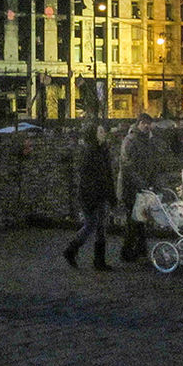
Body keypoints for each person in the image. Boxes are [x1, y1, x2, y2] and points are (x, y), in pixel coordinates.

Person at [63, 123, 117, 271]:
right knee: (92, 224)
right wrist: (95, 196)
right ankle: (72, 250)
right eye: (100, 131)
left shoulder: (103, 151)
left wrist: (111, 195)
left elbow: (107, 175)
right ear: (93, 134)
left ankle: (97, 260)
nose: (103, 133)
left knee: (99, 226)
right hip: (93, 196)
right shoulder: (90, 152)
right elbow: (88, 178)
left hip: (101, 194)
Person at [118, 112, 159, 262]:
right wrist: (142, 183)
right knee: (133, 221)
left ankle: (139, 250)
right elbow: (128, 167)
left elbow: (152, 163)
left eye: (149, 123)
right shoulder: (130, 141)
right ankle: (127, 252)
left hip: (142, 187)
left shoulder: (147, 141)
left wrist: (151, 182)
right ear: (139, 124)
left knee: (140, 220)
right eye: (144, 123)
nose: (147, 126)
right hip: (131, 187)